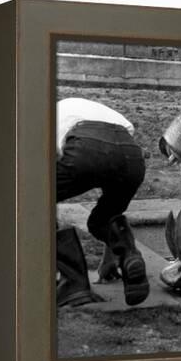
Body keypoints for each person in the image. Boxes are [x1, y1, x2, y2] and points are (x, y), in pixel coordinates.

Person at [56, 97, 149, 307]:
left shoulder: (50, 117)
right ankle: (129, 255)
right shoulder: (94, 110)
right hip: (131, 154)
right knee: (104, 218)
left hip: (85, 145)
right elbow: (114, 156)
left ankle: (74, 283)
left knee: (34, 201)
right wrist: (111, 257)